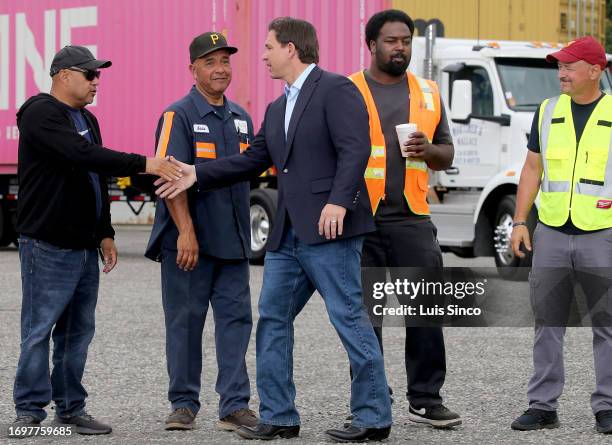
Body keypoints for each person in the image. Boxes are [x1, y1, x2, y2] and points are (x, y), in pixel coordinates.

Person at [156, 16, 393, 443]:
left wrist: (339, 200)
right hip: (287, 236)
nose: (262, 55)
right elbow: (253, 159)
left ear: (291, 48)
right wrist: (197, 173)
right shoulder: (277, 106)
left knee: (349, 319)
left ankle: (374, 416)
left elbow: (356, 147)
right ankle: (280, 415)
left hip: (330, 228)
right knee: (272, 321)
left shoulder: (336, 89)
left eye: (268, 47)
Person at [9, 45, 181, 438]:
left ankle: (70, 409)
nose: (96, 81)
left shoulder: (87, 118)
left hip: (84, 247)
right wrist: (144, 162)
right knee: (39, 329)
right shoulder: (40, 112)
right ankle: (29, 412)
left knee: (77, 332)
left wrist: (105, 233)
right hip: (47, 245)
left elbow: (94, 178)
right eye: (89, 74)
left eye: (98, 74)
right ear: (63, 75)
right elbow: (80, 153)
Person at [348, 10, 460, 429]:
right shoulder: (348, 90)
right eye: (392, 40)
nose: (400, 47)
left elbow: (447, 155)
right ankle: (372, 397)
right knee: (365, 319)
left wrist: (427, 149)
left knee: (426, 311)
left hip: (412, 217)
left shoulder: (428, 92)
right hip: (362, 217)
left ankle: (427, 398)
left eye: (406, 41)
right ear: (372, 45)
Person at [145, 32, 257, 432]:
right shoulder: (178, 115)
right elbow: (168, 178)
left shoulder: (243, 118)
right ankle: (183, 403)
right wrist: (186, 233)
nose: (220, 69)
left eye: (225, 61)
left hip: (233, 244)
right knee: (185, 323)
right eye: (210, 62)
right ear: (192, 69)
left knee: (236, 323)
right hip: (189, 245)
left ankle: (234, 405)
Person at [510, 36, 612, 434]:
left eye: (569, 67)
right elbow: (532, 168)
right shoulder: (548, 111)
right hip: (551, 231)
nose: (562, 74)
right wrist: (520, 221)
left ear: (595, 70)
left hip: (602, 232)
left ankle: (607, 406)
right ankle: (542, 405)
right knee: (547, 322)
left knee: (606, 322)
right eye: (560, 67)